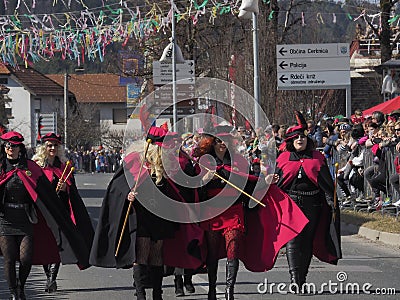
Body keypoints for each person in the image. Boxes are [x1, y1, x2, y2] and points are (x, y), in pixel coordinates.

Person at [90, 126, 204, 300]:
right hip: (141, 216)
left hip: (159, 215)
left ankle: (157, 294)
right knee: (142, 254)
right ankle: (141, 294)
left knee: (157, 256)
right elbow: (118, 186)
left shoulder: (167, 165)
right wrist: (128, 195)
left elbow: (175, 189)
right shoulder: (136, 162)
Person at [197, 125, 309, 300]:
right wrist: (204, 179)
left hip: (234, 211)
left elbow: (250, 183)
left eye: (225, 141)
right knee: (212, 253)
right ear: (211, 142)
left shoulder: (239, 162)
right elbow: (195, 190)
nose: (222, 145)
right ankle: (212, 289)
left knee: (232, 248)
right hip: (213, 212)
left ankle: (229, 290)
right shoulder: (204, 162)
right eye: (218, 141)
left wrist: (265, 181)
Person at [0, 131, 91, 300]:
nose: (9, 148)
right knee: (10, 259)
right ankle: (15, 292)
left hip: (31, 216)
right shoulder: (5, 167)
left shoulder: (33, 168)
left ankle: (32, 281)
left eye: (13, 146)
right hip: (6, 220)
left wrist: (63, 193)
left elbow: (45, 193)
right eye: (7, 145)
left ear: (20, 148)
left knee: (27, 258)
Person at [274, 111, 342, 292]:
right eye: (296, 138)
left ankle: (302, 278)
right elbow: (277, 183)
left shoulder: (317, 158)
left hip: (313, 204)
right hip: (290, 204)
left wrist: (331, 203)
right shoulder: (283, 159)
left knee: (307, 241)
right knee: (294, 240)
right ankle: (295, 278)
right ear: (290, 141)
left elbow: (326, 184)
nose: (300, 140)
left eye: (303, 137)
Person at [32, 132, 94, 293]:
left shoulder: (64, 165)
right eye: (49, 145)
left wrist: (66, 188)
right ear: (43, 147)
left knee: (58, 243)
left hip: (60, 210)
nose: (52, 148)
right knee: (45, 243)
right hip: (43, 211)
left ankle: (52, 279)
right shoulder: (36, 165)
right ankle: (48, 276)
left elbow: (72, 189)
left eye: (55, 145)